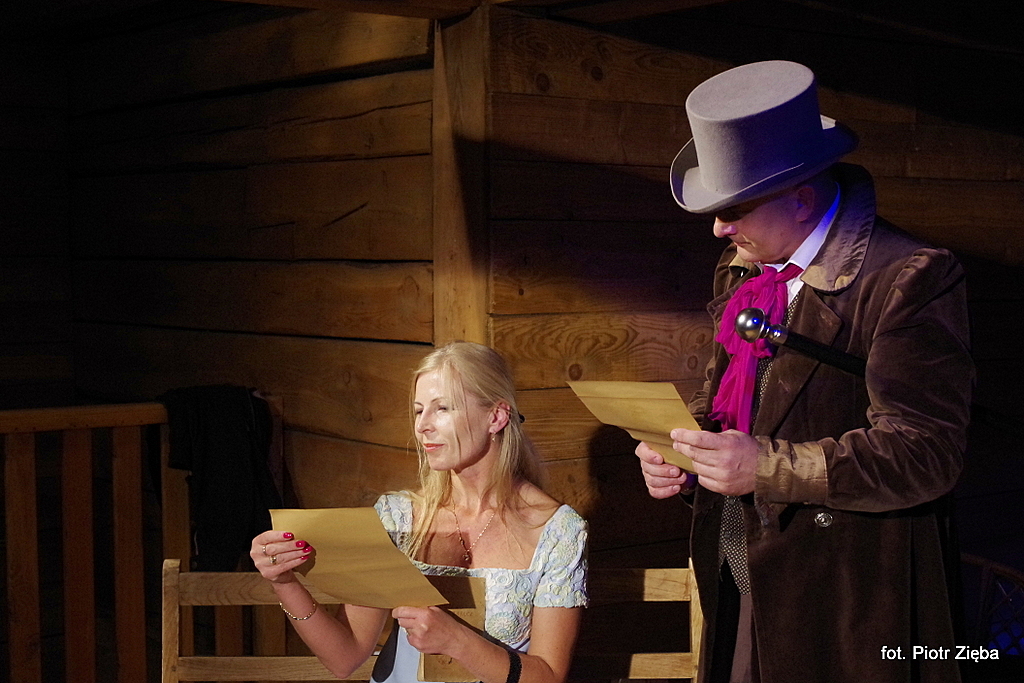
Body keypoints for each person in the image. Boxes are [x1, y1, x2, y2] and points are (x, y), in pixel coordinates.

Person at [635, 61, 973, 683]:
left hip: (841, 595)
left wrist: (764, 467)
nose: (719, 227)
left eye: (734, 208)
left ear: (802, 200)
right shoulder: (743, 268)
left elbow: (927, 452)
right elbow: (728, 400)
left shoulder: (908, 277)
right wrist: (685, 456)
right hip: (740, 576)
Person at [252, 341, 589, 683]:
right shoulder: (398, 517)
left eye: (442, 408)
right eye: (418, 411)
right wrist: (285, 583)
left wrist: (459, 642)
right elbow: (344, 658)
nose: (423, 426)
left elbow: (549, 676)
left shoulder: (556, 530)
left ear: (496, 417)